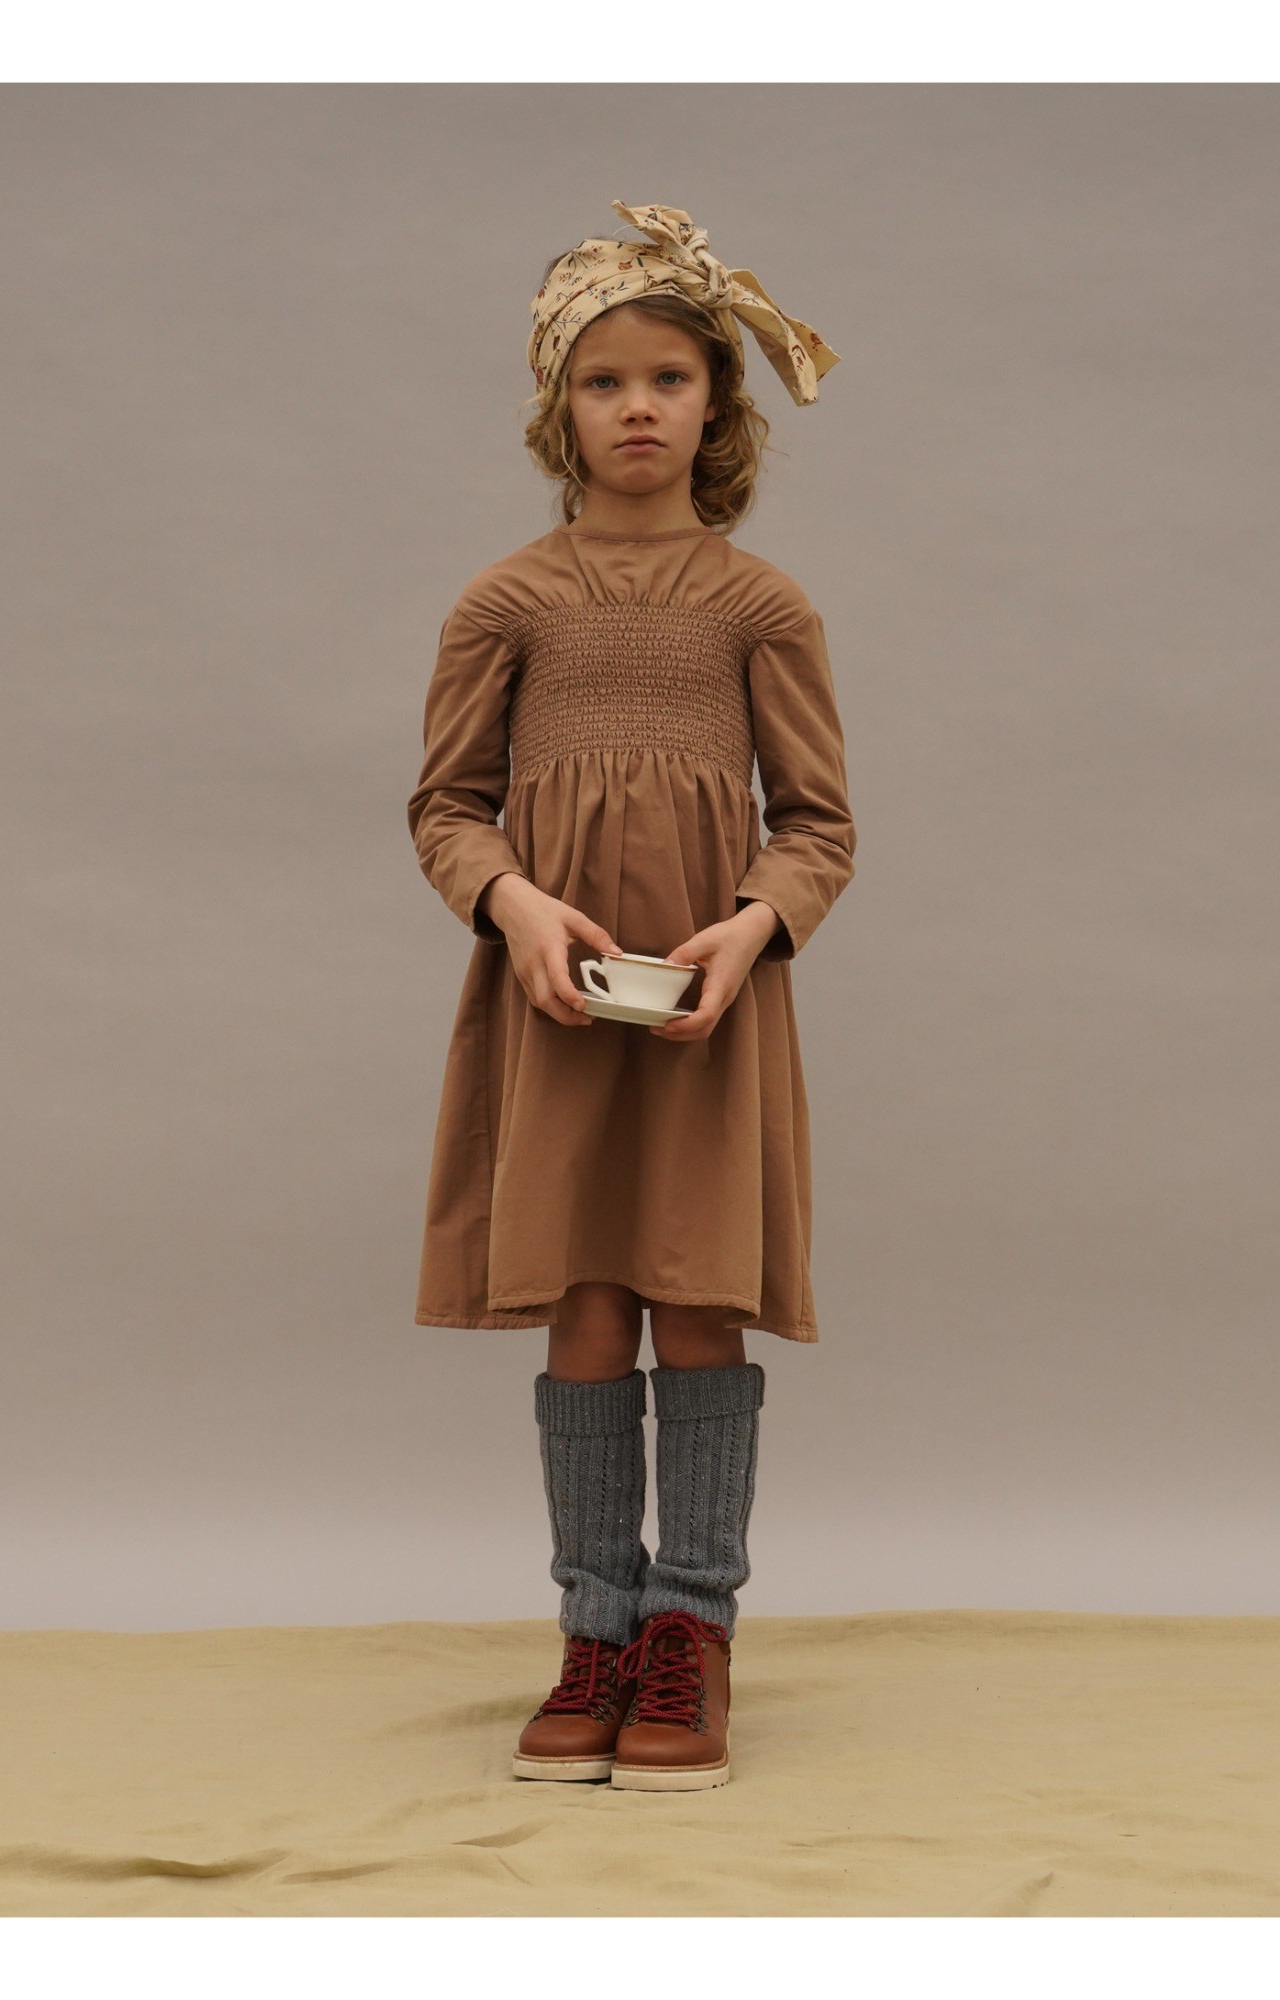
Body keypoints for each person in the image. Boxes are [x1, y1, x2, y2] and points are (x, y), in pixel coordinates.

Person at [405, 202, 856, 1792]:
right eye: (606, 381)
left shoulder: (762, 608)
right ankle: (596, 1629)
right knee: (588, 1301)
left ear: (718, 403)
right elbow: (445, 807)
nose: (640, 406)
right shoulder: (504, 605)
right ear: (561, 406)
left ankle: (693, 1632)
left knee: (697, 1293)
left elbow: (819, 825)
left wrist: (753, 930)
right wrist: (514, 904)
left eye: (671, 377)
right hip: (554, 1005)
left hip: (706, 1012)